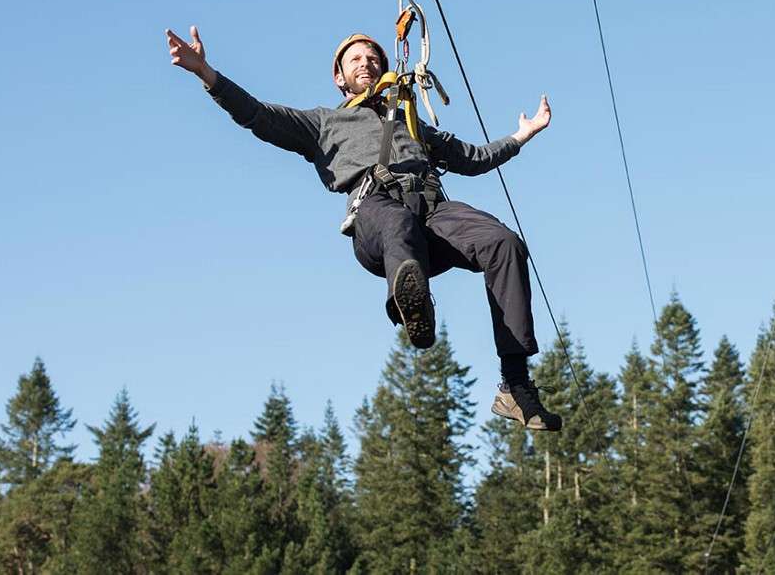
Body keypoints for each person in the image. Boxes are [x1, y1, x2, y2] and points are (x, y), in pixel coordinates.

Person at [165, 26, 562, 431]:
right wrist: (206, 73)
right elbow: (257, 115)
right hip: (376, 217)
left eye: (372, 58)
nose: (366, 63)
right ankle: (411, 297)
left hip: (433, 214)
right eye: (355, 59)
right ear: (340, 77)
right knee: (398, 221)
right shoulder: (324, 123)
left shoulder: (413, 125)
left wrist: (521, 135)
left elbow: (473, 157)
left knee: (504, 242)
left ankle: (515, 384)